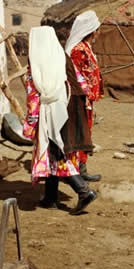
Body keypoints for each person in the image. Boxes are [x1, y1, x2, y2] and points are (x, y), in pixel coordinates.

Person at [22, 26, 97, 215]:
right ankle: (50, 197)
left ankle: (83, 191)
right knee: (55, 150)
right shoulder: (62, 56)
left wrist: (30, 124)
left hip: (52, 112)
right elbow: (82, 83)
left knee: (56, 151)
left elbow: (33, 92)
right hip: (71, 107)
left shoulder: (37, 61)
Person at [64, 10, 104, 182]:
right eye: (97, 29)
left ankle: (80, 167)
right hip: (79, 98)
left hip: (87, 98)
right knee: (80, 132)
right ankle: (78, 170)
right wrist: (84, 95)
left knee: (85, 131)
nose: (98, 33)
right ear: (92, 30)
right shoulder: (78, 50)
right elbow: (75, 75)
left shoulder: (86, 48)